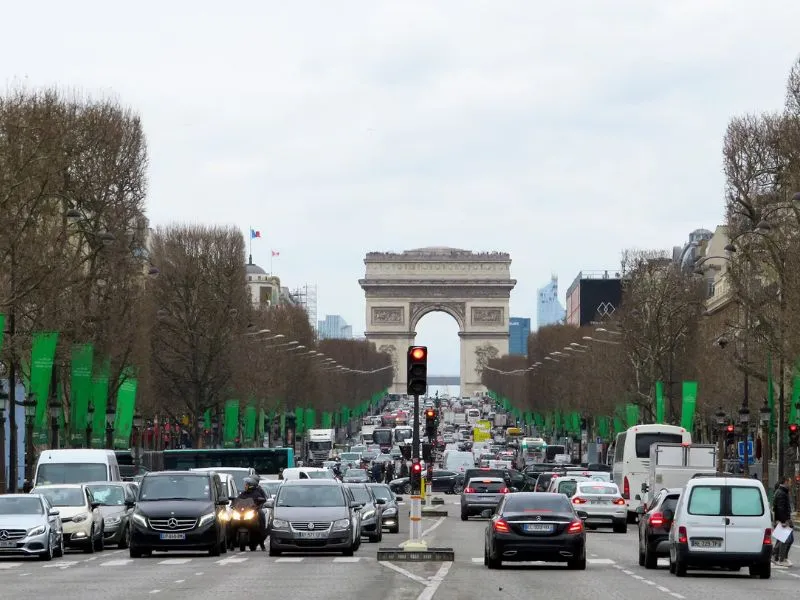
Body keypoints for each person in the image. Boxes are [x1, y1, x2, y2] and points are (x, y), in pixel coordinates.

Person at [238, 477, 268, 550]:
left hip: (254, 511)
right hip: (244, 512)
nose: (245, 486)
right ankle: (231, 540)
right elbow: (238, 500)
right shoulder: (243, 493)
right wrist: (234, 505)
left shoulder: (257, 493)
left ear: (251, 485)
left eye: (246, 485)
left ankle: (261, 542)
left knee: (261, 515)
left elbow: (263, 499)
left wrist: (258, 505)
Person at [773, 476, 794, 567]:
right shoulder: (781, 493)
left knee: (784, 539)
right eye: (789, 482)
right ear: (785, 482)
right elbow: (780, 509)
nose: (790, 484)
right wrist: (783, 521)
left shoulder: (783, 492)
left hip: (784, 519)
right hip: (783, 520)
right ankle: (780, 558)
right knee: (785, 539)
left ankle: (777, 557)